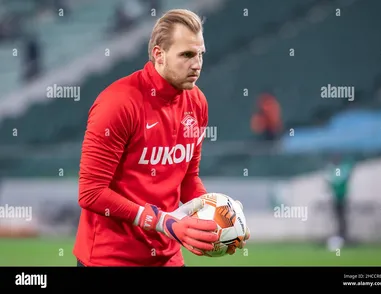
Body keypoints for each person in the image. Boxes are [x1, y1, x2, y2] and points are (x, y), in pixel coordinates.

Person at [73, 9, 250, 267]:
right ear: (159, 54)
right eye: (187, 55)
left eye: (200, 54)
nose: (197, 64)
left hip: (167, 256)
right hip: (109, 258)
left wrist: (219, 219)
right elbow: (91, 193)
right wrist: (163, 222)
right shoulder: (118, 103)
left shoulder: (197, 102)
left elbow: (187, 177)